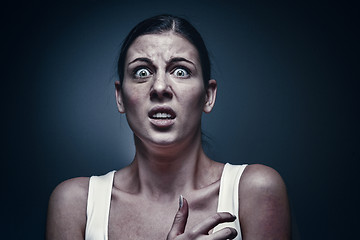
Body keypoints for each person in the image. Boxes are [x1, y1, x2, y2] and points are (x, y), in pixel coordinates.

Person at [46, 14, 291, 240]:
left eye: (181, 71)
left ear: (208, 96)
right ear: (120, 97)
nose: (160, 87)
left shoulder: (256, 190)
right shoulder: (76, 203)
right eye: (142, 72)